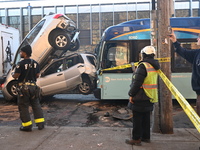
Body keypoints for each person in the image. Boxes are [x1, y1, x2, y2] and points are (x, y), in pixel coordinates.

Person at [125, 46, 160, 146]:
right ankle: (146, 137)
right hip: (150, 95)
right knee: (146, 118)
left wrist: (131, 94)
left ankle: (136, 139)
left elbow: (137, 83)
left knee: (137, 118)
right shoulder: (155, 65)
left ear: (143, 54)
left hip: (140, 95)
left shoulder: (143, 66)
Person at [12, 45, 45, 132]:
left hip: (23, 88)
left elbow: (16, 75)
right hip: (33, 87)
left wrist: (13, 74)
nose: (20, 53)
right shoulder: (35, 63)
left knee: (23, 106)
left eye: (21, 52)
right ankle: (40, 124)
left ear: (25, 53)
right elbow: (37, 75)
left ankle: (27, 126)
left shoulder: (20, 64)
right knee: (36, 105)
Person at [168, 31, 200, 116]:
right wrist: (174, 41)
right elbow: (183, 52)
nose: (197, 39)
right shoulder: (197, 53)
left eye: (199, 37)